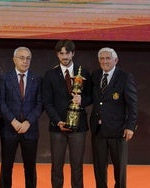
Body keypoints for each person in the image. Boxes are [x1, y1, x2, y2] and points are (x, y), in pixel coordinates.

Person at [42, 40, 92, 188]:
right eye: (61, 53)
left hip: (79, 127)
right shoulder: (50, 75)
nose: (64, 56)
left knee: (77, 166)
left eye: (67, 53)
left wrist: (82, 100)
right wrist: (58, 121)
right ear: (57, 55)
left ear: (73, 53)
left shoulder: (83, 72)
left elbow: (91, 97)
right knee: (57, 166)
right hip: (57, 127)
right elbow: (47, 102)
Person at [90, 47, 138, 188]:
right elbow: (92, 98)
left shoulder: (125, 77)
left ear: (115, 60)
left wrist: (130, 126)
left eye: (108, 58)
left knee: (120, 170)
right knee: (99, 168)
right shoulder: (96, 75)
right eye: (102, 58)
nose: (105, 61)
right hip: (98, 130)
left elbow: (133, 104)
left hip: (118, 131)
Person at [0, 47, 43, 188]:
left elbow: (40, 103)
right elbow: (1, 103)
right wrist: (13, 121)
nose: (25, 61)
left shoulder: (37, 79)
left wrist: (28, 122)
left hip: (30, 130)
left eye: (28, 58)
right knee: (6, 167)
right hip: (9, 129)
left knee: (30, 168)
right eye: (21, 58)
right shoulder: (4, 78)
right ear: (14, 59)